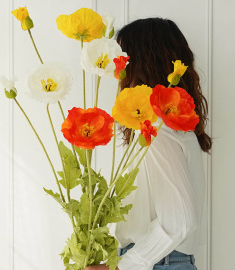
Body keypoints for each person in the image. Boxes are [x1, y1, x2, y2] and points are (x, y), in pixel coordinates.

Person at [84, 18, 212, 270]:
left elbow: (180, 223)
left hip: (158, 263)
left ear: (141, 64)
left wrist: (121, 266)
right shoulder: (171, 129)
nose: (118, 69)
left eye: (123, 58)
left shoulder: (158, 135)